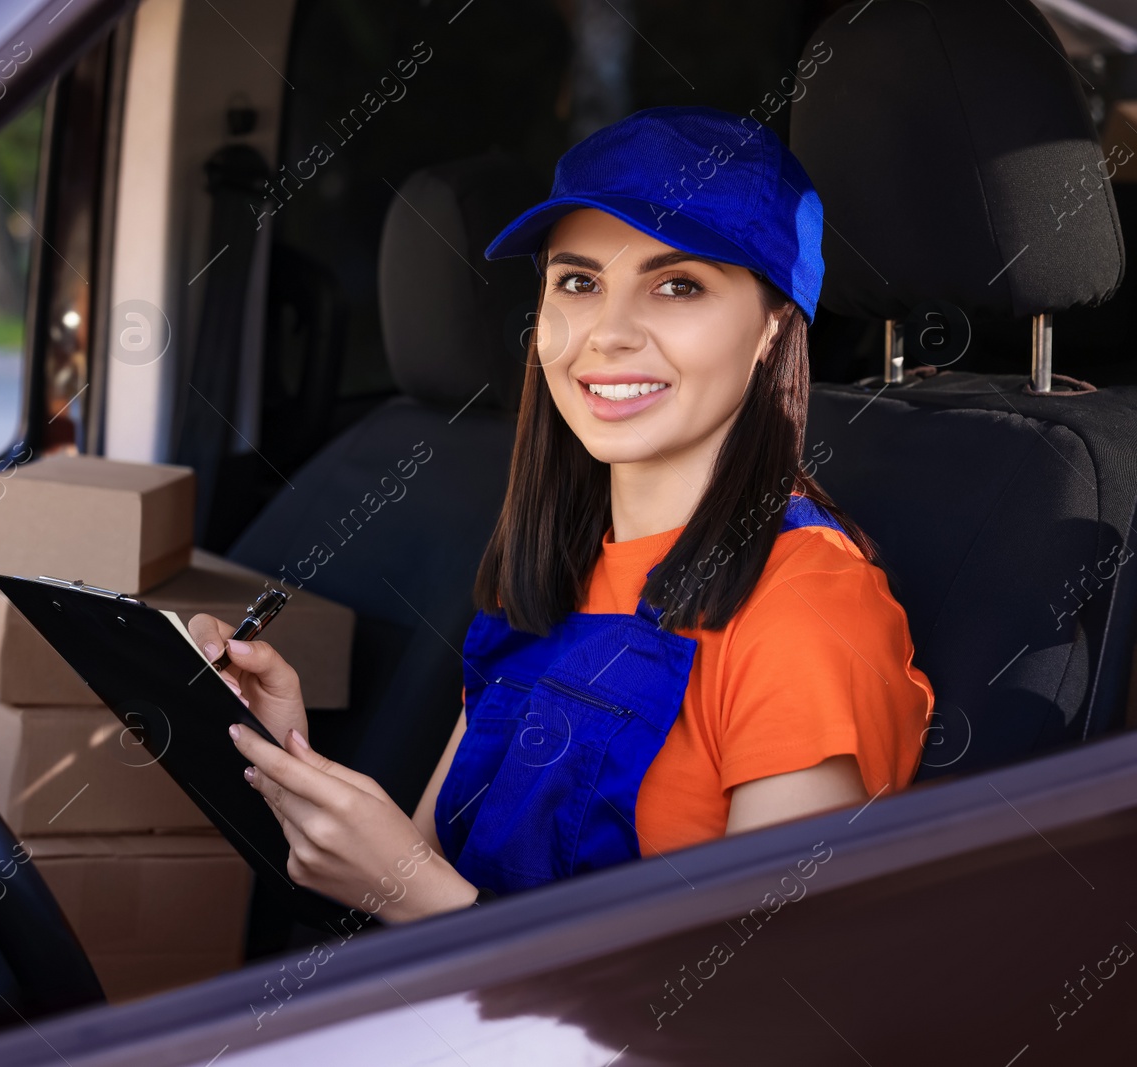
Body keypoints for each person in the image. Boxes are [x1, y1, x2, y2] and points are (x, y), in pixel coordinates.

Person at [188, 106, 934, 922]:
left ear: (771, 328)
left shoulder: (807, 611)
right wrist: (287, 760)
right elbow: (419, 876)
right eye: (579, 282)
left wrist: (418, 897)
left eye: (677, 285)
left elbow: (746, 1011)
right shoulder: (546, 567)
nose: (607, 334)